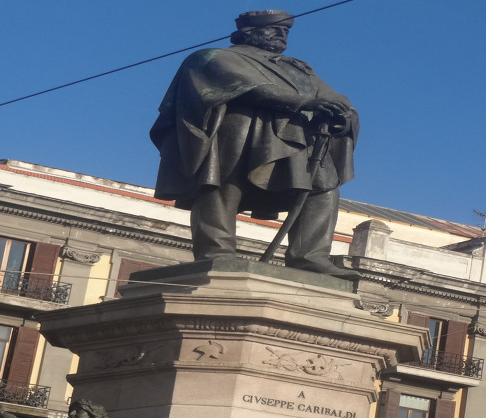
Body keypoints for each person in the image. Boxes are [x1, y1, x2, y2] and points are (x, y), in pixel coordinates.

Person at [151, 10, 359, 275]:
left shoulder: (298, 68)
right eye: (275, 29)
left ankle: (309, 257)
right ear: (247, 32)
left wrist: (341, 114)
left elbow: (335, 97)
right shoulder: (213, 57)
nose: (282, 34)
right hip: (239, 132)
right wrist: (304, 102)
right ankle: (216, 252)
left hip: (295, 138)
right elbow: (246, 87)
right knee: (223, 186)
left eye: (286, 31)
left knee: (324, 187)